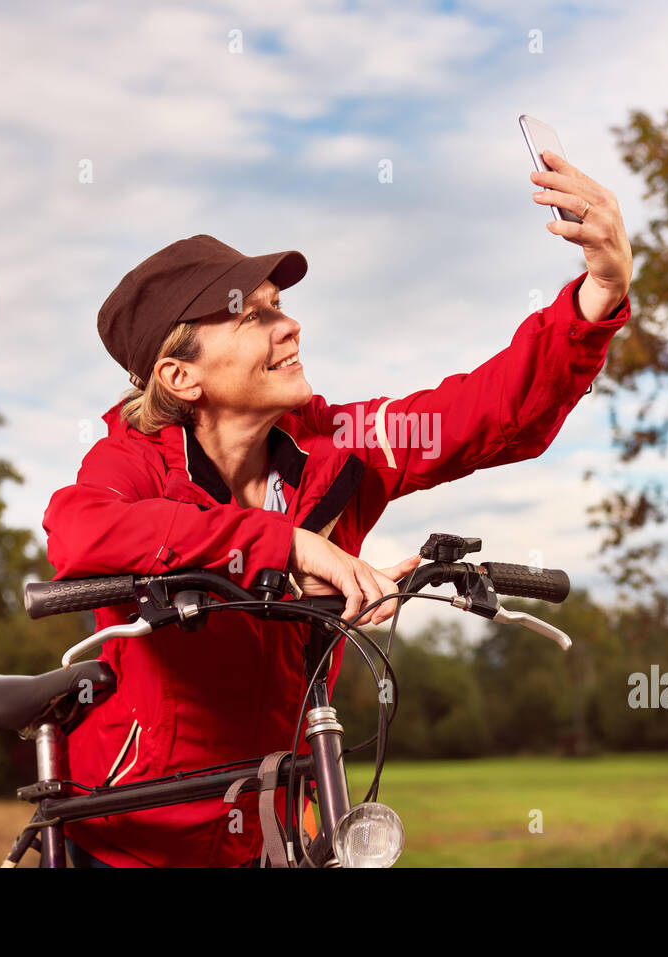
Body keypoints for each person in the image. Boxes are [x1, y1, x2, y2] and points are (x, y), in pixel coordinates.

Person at [43, 150, 633, 866]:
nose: (287, 326)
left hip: (278, 820)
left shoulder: (336, 450)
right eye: (251, 315)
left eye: (279, 306)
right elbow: (80, 528)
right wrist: (287, 546)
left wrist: (597, 293)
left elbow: (476, 414)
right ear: (180, 374)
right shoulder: (131, 463)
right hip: (136, 836)